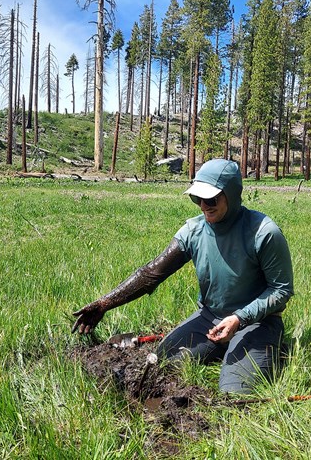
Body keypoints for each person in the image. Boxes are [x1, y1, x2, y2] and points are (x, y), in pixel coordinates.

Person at [72, 159, 294, 393]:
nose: (203, 206)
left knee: (234, 391)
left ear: (231, 194)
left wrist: (239, 318)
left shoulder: (264, 233)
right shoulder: (193, 231)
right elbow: (150, 273)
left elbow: (281, 290)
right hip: (211, 319)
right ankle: (226, 349)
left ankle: (272, 350)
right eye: (197, 198)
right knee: (163, 361)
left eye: (210, 199)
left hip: (258, 322)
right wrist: (106, 303)